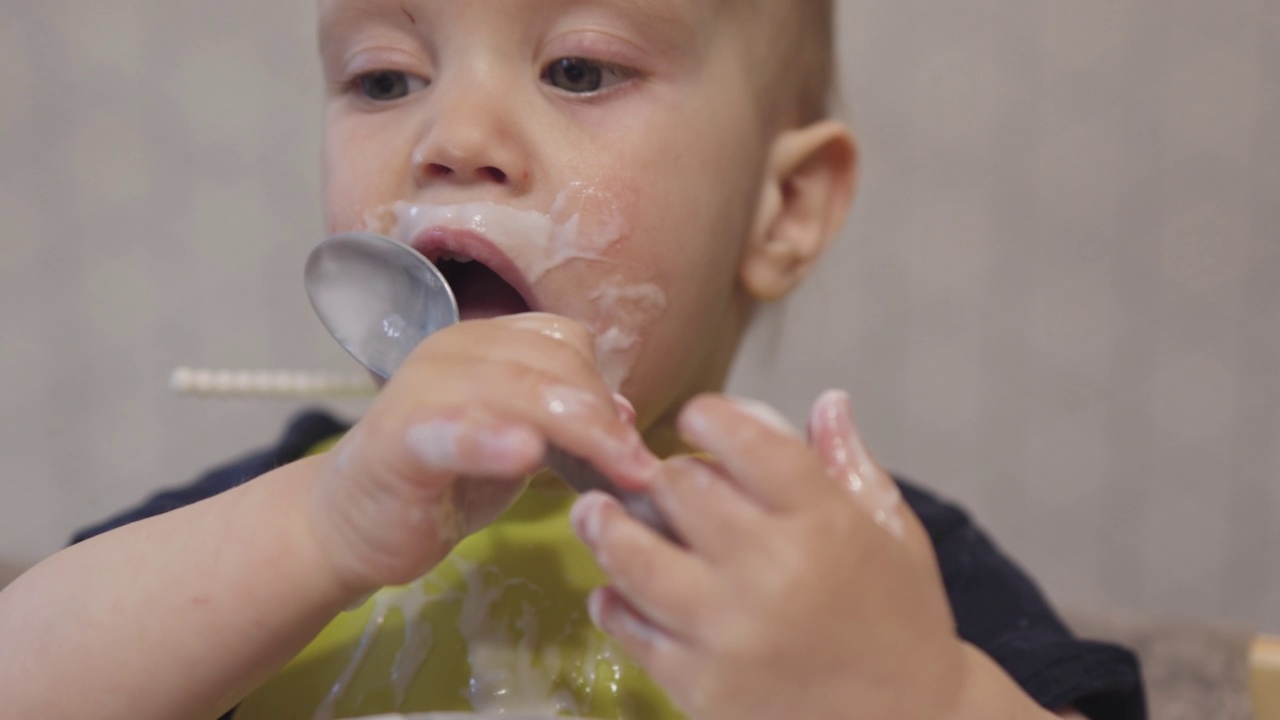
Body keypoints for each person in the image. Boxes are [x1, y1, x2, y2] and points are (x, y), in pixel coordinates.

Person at [0, 1, 1145, 718]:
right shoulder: (275, 525)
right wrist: (317, 530)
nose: (450, 140)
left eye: (581, 70)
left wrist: (914, 697)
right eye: (386, 77)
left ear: (780, 205)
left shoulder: (853, 562)